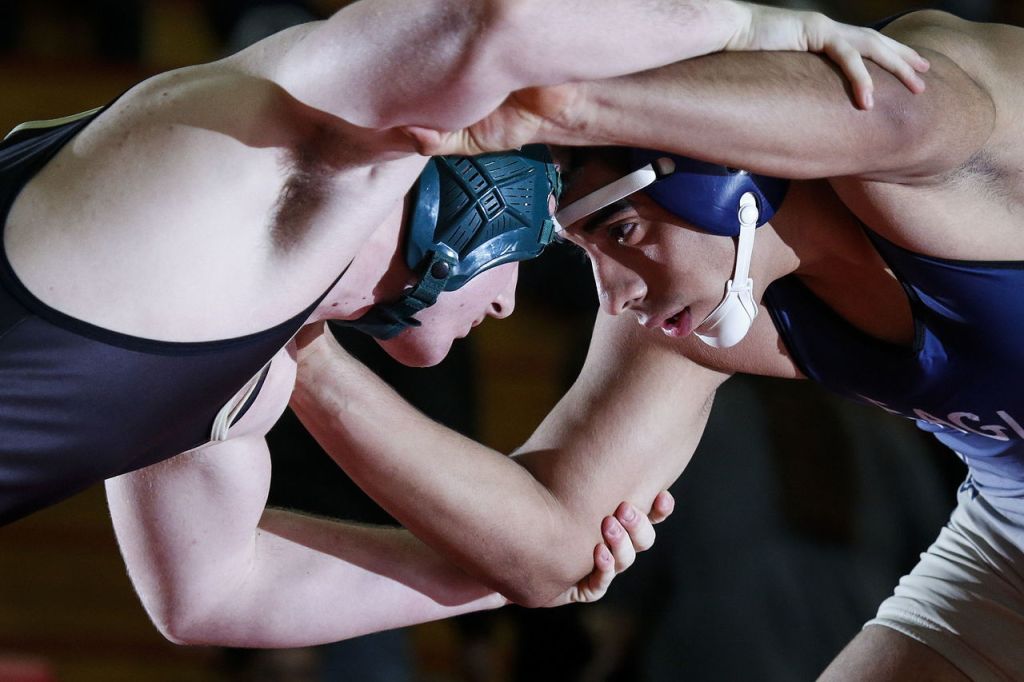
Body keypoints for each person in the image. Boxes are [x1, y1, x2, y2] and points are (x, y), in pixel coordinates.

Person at [0, 0, 927, 648]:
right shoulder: (272, 149)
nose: (511, 302)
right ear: (477, 189)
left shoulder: (248, 374)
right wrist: (769, 27)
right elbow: (493, 21)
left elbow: (213, 594)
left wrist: (511, 563)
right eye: (542, 247)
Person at [292, 8, 1020, 680]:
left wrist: (570, 102)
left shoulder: (936, 114)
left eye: (621, 232)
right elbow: (553, 550)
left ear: (716, 169)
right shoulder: (690, 312)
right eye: (587, 249)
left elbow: (900, 113)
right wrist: (302, 353)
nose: (616, 295)